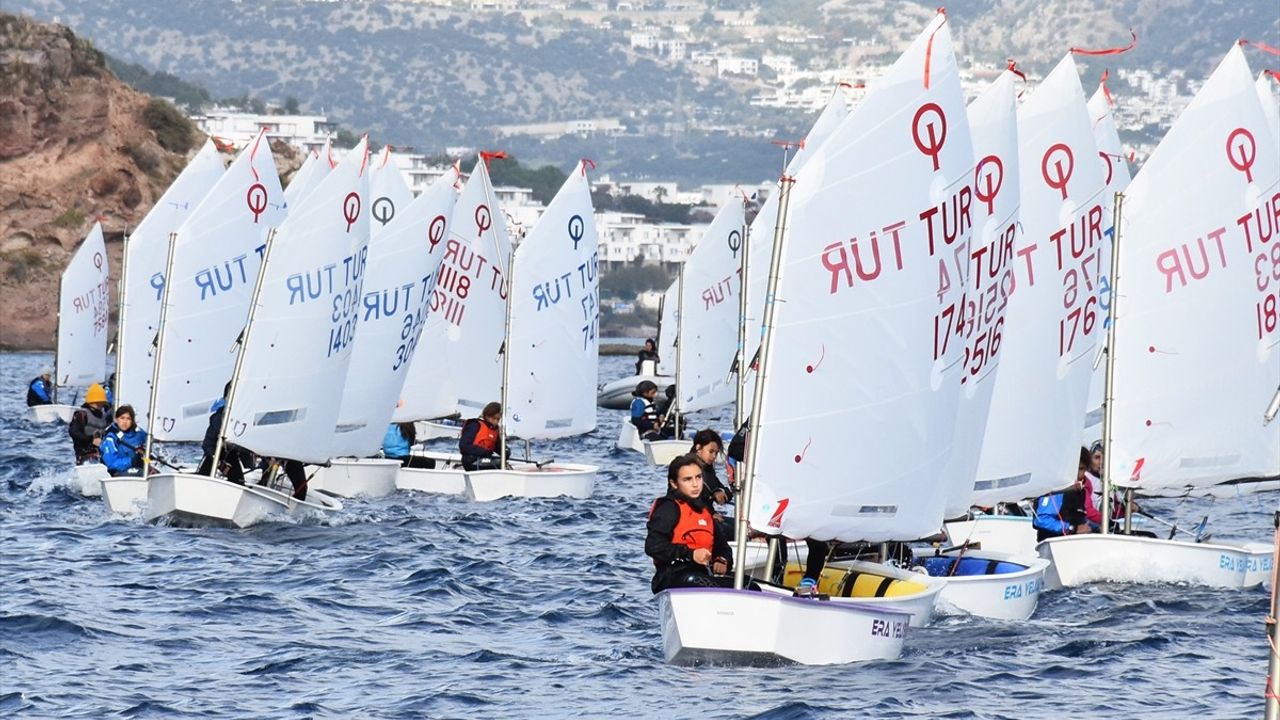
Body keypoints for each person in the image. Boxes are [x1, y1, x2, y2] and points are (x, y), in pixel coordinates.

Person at [645, 454, 736, 593]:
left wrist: (722, 560)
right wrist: (691, 554)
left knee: (751, 587)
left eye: (698, 477)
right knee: (697, 581)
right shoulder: (668, 508)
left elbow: (723, 547)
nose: (695, 484)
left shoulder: (705, 513)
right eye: (687, 479)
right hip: (673, 576)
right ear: (674, 483)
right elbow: (653, 546)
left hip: (701, 575)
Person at [196, 382, 254, 485]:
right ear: (225, 398)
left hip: (232, 455)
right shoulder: (218, 418)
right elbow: (207, 444)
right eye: (230, 396)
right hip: (215, 454)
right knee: (205, 475)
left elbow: (246, 447)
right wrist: (219, 464)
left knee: (238, 481)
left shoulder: (246, 421)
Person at [1031, 450, 1093, 541]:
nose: (1076, 473)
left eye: (1081, 469)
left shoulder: (1082, 492)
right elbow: (1041, 520)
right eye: (1073, 468)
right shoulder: (1056, 489)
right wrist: (1072, 528)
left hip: (1075, 544)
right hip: (1054, 544)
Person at [68, 383, 112, 465]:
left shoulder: (104, 415)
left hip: (102, 454)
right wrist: (91, 440)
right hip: (85, 455)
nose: (100, 404)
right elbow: (73, 432)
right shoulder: (81, 414)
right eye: (97, 402)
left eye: (101, 402)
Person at [99, 405, 148, 476]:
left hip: (138, 468)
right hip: (118, 472)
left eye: (128, 419)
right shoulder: (111, 438)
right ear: (116, 419)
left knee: (153, 474)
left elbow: (148, 446)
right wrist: (131, 461)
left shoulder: (139, 433)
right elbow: (111, 463)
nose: (125, 422)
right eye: (122, 418)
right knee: (142, 474)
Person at [459, 402, 502, 471]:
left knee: (503, 464)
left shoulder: (495, 430)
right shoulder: (475, 425)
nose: (496, 422)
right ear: (487, 415)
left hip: (485, 459)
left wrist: (506, 451)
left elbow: (497, 448)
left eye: (498, 420)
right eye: (494, 418)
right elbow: (464, 446)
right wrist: (483, 452)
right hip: (471, 460)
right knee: (499, 465)